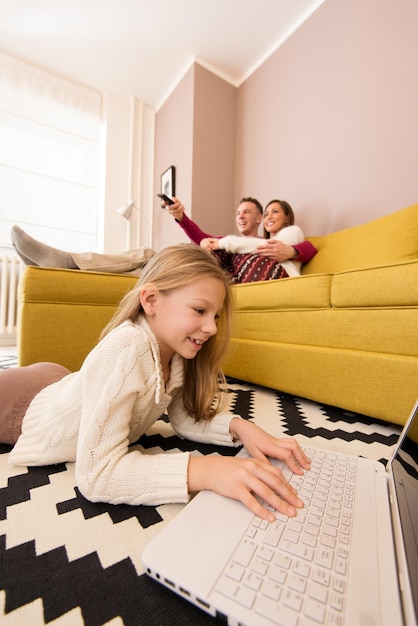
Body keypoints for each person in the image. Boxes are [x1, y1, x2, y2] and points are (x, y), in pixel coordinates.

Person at [1, 244, 311, 521]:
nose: (212, 328)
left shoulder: (174, 354)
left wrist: (240, 427)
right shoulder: (127, 348)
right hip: (23, 405)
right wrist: (208, 471)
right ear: (151, 300)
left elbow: (183, 420)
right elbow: (96, 475)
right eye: (200, 310)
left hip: (61, 381)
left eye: (215, 316)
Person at [165, 197, 317, 265]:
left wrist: (292, 251)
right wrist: (180, 217)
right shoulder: (226, 243)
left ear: (258, 218)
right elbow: (201, 237)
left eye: (246, 212)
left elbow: (310, 248)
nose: (240, 217)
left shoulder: (283, 241)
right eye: (238, 213)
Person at [203, 199, 305, 282]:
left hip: (283, 278)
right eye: (266, 214)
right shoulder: (257, 242)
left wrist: (223, 243)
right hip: (248, 279)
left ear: (287, 218)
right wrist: (206, 242)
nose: (269, 217)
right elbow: (211, 242)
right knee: (215, 255)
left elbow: (266, 246)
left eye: (275, 212)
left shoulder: (294, 232)